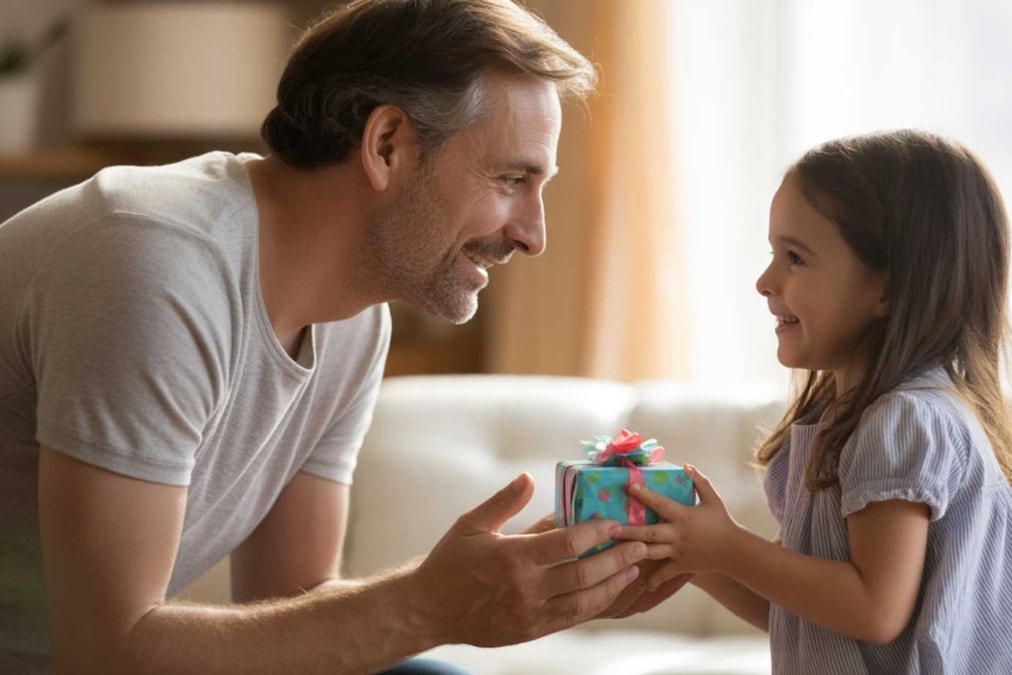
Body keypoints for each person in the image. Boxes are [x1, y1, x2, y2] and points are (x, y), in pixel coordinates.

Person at [0, 1, 664, 672]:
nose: (533, 234)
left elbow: (291, 603)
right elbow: (108, 652)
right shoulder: (155, 265)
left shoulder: (353, 318)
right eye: (511, 179)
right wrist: (430, 605)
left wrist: (521, 586)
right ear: (386, 146)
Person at [612, 130, 1012, 673]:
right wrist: (696, 556)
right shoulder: (846, 423)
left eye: (794, 257)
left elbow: (873, 608)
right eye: (773, 254)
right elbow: (802, 610)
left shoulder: (904, 421)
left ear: (887, 289)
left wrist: (728, 548)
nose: (764, 281)